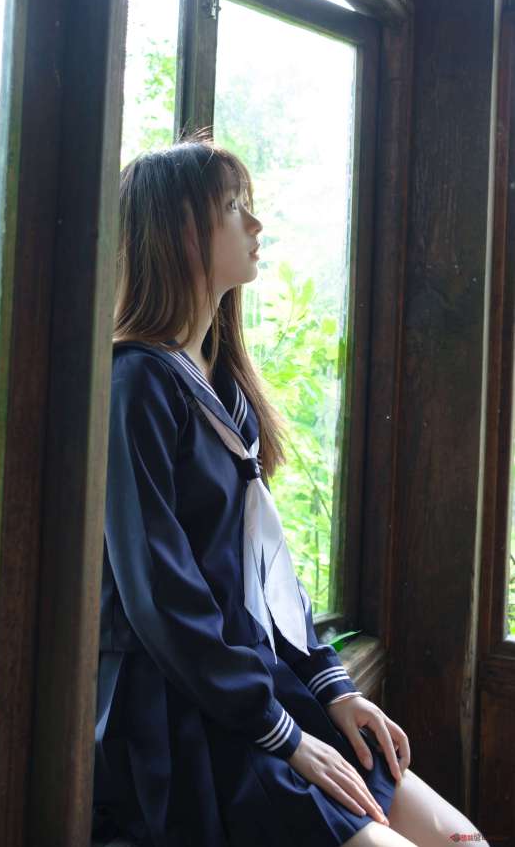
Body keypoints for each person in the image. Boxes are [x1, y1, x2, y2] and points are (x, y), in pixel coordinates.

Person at [92, 139, 489, 847]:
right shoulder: (136, 385)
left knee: (461, 839)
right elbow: (159, 594)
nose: (256, 224)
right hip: (189, 720)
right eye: (233, 208)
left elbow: (262, 569)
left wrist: (331, 684)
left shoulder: (219, 383)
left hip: (261, 690)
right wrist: (281, 732)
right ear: (180, 231)